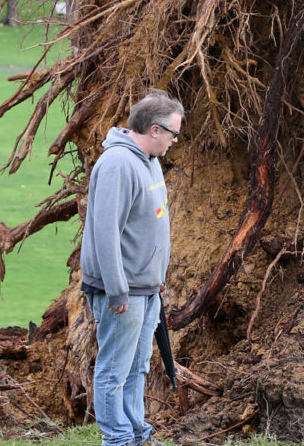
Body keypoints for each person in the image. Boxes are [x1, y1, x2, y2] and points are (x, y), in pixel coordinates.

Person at [80, 90, 183, 446]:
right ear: (154, 130)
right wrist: (116, 289)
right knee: (114, 372)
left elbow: (147, 226)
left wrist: (156, 278)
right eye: (173, 134)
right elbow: (105, 233)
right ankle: (118, 440)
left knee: (137, 368)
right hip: (122, 293)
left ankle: (138, 435)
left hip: (146, 289)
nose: (174, 141)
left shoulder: (149, 161)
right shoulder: (117, 165)